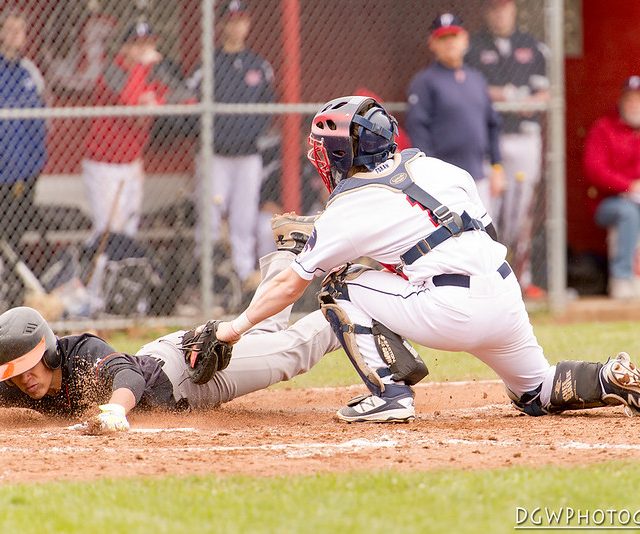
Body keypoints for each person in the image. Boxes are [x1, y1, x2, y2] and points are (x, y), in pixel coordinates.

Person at [211, 95, 640, 425]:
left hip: (449, 309)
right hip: (503, 294)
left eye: (327, 147)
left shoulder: (349, 205)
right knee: (535, 393)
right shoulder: (441, 169)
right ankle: (609, 376)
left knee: (339, 284)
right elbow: (474, 234)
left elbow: (289, 285)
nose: (322, 155)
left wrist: (231, 330)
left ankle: (389, 395)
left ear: (345, 154)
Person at [0, 216, 339, 432]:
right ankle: (291, 249)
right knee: (265, 337)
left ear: (50, 354)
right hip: (166, 364)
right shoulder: (22, 385)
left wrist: (116, 409)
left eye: (30, 367)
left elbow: (128, 375)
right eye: (15, 373)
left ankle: (351, 309)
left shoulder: (80, 354)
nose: (25, 378)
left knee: (288, 355)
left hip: (188, 378)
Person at [466, 0, 550, 298]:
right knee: (489, 208)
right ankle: (489, 277)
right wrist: (504, 95)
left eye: (504, 7)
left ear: (513, 9)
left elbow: (547, 91)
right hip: (491, 137)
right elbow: (470, 88)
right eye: (493, 8)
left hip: (525, 137)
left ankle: (523, 277)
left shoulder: (533, 46)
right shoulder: (473, 46)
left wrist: (529, 101)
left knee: (523, 210)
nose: (499, 13)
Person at [188, 0, 275, 287]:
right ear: (221, 24)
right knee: (209, 216)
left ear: (248, 24)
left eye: (242, 20)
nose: (236, 26)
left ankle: (241, 274)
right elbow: (188, 101)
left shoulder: (259, 66)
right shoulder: (209, 63)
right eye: (231, 20)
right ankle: (208, 276)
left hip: (248, 155)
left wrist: (249, 135)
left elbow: (267, 108)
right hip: (216, 156)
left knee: (244, 218)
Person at [82, 21, 176, 240]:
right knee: (109, 233)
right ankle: (93, 273)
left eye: (148, 44)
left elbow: (185, 98)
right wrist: (142, 69)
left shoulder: (153, 73)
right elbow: (131, 101)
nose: (143, 50)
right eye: (136, 44)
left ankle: (119, 274)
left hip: (133, 164)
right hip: (104, 166)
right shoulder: (111, 70)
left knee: (129, 233)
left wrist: (158, 98)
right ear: (124, 47)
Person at [406, 12, 504, 209]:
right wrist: (430, 172)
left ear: (465, 39)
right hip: (445, 178)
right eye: (443, 38)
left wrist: (497, 167)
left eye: (454, 36)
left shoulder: (476, 79)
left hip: (479, 174)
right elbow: (418, 129)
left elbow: (492, 125)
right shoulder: (425, 82)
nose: (449, 42)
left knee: (485, 233)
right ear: (432, 43)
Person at [584, 76, 640, 300]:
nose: (634, 105)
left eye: (638, 100)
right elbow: (595, 170)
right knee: (628, 212)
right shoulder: (605, 128)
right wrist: (628, 186)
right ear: (621, 101)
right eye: (630, 100)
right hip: (608, 202)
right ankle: (622, 278)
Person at [0, 9, 47, 260]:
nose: (17, 36)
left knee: (16, 234)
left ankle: (12, 287)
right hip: (2, 171)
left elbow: (43, 108)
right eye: (10, 30)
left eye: (21, 31)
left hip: (26, 169)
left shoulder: (29, 70)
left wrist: (37, 161)